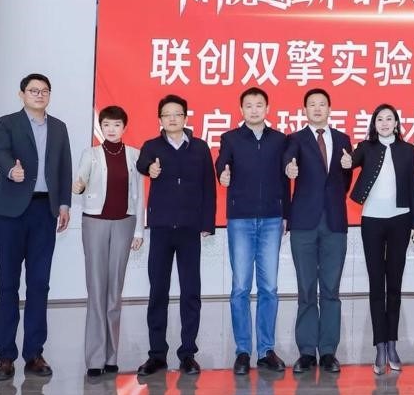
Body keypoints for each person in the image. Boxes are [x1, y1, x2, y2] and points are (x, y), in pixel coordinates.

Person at [0, 73, 72, 381]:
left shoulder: (59, 127)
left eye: (44, 90)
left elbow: (64, 167)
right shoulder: (7, 123)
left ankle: (34, 353)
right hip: (10, 212)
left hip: (44, 211)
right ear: (21, 94)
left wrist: (64, 204)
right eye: (33, 90)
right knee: (8, 283)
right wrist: (10, 170)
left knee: (39, 283)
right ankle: (5, 356)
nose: (39, 94)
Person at [135, 95, 216, 376]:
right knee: (158, 291)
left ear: (185, 117)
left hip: (190, 229)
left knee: (190, 292)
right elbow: (142, 164)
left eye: (177, 114)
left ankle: (188, 354)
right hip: (161, 228)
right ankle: (156, 355)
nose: (172, 118)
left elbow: (209, 186)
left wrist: (207, 223)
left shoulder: (200, 147)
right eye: (167, 114)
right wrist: (150, 168)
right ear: (160, 119)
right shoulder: (152, 146)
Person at [340, 104, 414, 374]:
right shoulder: (366, 147)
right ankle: (380, 347)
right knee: (377, 284)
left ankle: (393, 343)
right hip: (372, 221)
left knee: (394, 285)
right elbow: (350, 162)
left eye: (389, 119)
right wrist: (347, 163)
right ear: (374, 124)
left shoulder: (408, 150)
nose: (385, 123)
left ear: (396, 123)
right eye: (380, 120)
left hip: (401, 220)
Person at [216, 87, 290, 374]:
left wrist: (287, 215)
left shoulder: (280, 140)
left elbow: (286, 179)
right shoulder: (231, 138)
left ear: (267, 109)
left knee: (269, 288)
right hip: (241, 220)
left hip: (272, 219)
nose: (254, 110)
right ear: (241, 110)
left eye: (259, 105)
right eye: (249, 105)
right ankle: (243, 351)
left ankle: (266, 350)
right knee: (240, 288)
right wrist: (222, 173)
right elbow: (222, 163)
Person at [284, 88, 353, 374]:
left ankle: (327, 352)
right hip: (303, 223)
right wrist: (289, 169)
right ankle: (306, 351)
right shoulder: (295, 139)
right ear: (305, 110)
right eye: (311, 104)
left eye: (321, 104)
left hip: (335, 222)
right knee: (306, 289)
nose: (317, 108)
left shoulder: (343, 139)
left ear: (329, 109)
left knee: (331, 290)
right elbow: (288, 162)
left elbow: (344, 182)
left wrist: (348, 167)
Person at [73, 105, 145, 377]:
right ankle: (95, 359)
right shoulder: (90, 154)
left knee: (115, 291)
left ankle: (112, 355)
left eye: (116, 125)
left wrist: (139, 231)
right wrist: (78, 185)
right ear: (100, 127)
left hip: (125, 223)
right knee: (96, 290)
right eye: (106, 125)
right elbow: (80, 180)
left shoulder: (135, 155)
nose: (111, 129)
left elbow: (139, 195)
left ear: (124, 127)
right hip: (95, 223)